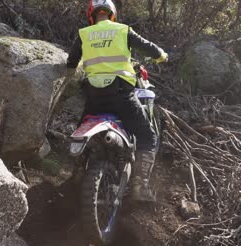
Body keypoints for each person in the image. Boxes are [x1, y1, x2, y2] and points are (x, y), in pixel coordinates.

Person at [67, 0, 168, 201]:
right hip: (122, 95)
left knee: (79, 131)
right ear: (112, 14)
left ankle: (76, 175)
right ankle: (140, 187)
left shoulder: (84, 34)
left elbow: (71, 63)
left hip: (94, 97)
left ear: (91, 14)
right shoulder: (123, 30)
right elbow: (150, 48)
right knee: (147, 136)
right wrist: (162, 56)